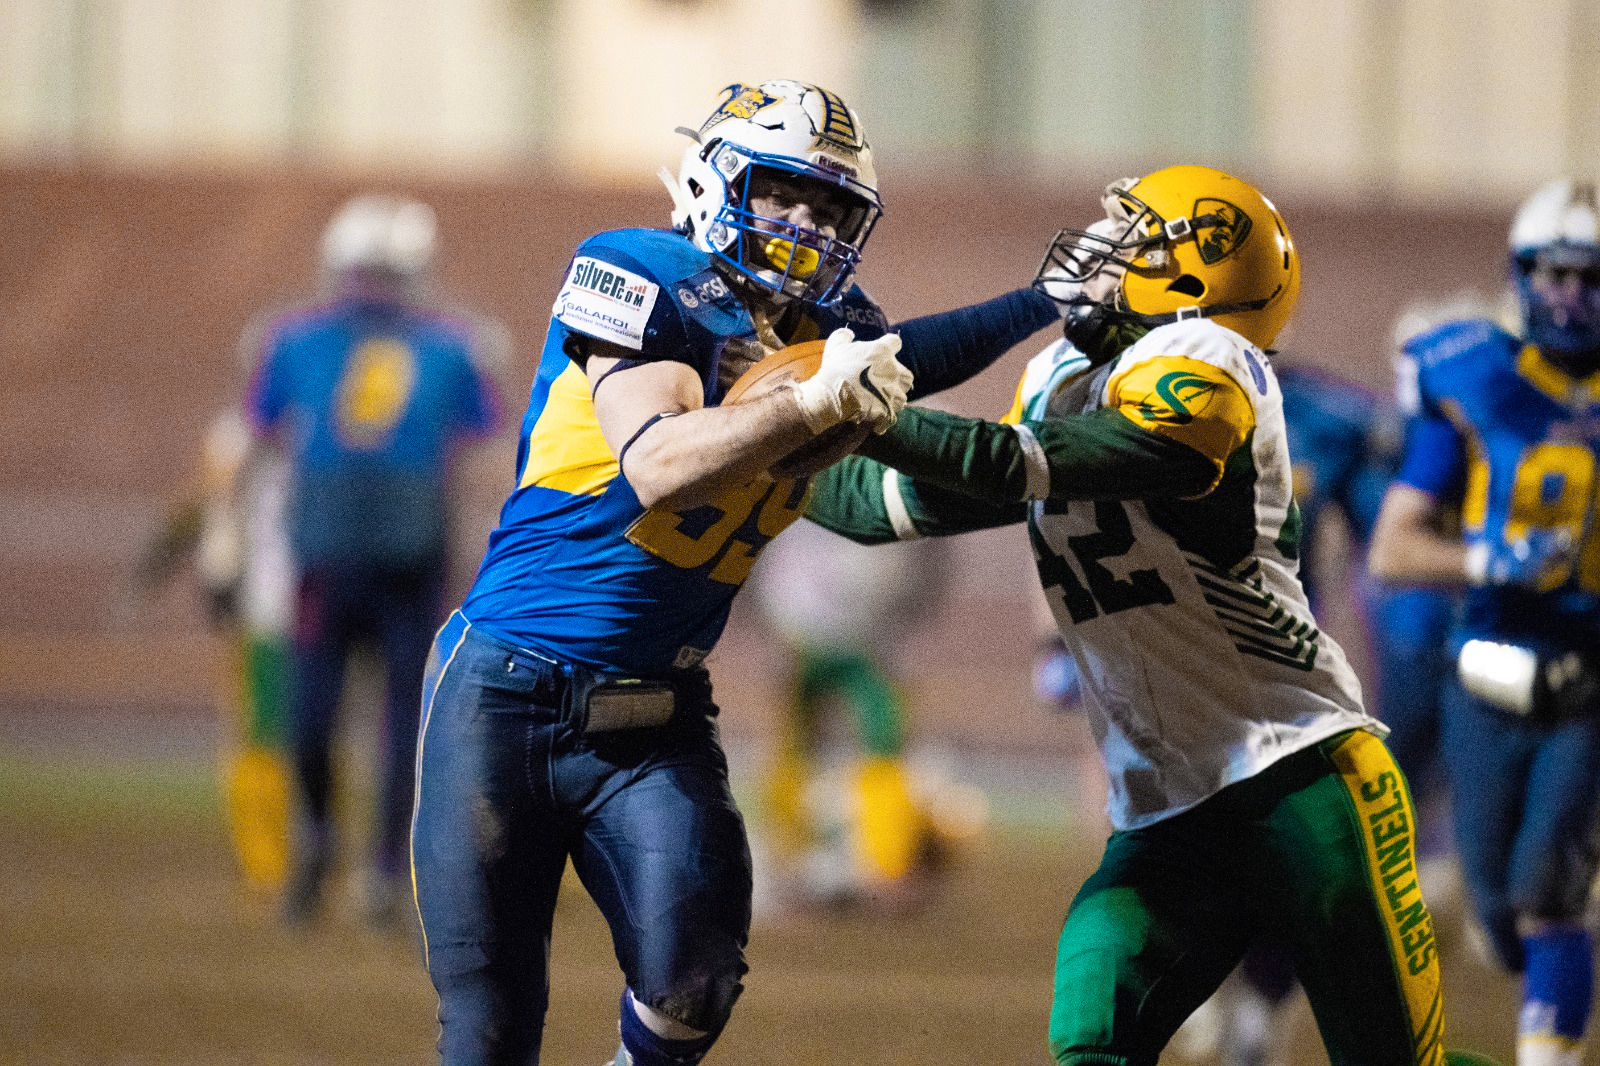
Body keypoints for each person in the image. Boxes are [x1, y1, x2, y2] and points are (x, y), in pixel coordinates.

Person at [408, 80, 1062, 1066]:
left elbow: (906, 358)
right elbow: (660, 464)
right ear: (717, 179)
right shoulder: (637, 267)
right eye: (782, 193)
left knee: (695, 979)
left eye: (832, 208)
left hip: (656, 711)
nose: (807, 223)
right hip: (504, 690)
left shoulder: (826, 335)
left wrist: (1044, 305)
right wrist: (811, 404)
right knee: (491, 1023)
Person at [806, 165, 1486, 1066]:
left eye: (1134, 238)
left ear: (1197, 274)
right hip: (1168, 813)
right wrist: (748, 439)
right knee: (1091, 1038)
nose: (1099, 252)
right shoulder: (1062, 374)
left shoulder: (1212, 364)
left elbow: (1027, 463)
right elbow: (877, 506)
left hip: (1300, 779)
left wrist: (862, 409)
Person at [1369, 178, 1600, 1066]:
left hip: (1587, 676)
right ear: (1520, 275)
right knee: (1500, 917)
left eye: (1589, 276)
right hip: (1486, 669)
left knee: (1550, 892)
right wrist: (1486, 561)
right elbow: (1394, 549)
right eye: (1553, 274)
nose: (1570, 295)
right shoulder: (1469, 375)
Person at [244, 194, 505, 925]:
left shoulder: (442, 345)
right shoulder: (445, 344)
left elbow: (482, 453)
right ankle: (327, 844)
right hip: (337, 552)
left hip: (399, 552)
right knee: (314, 719)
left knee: (401, 725)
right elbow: (261, 445)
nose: (373, 291)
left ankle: (384, 866)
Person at [751, 518, 954, 908]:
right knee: (796, 745)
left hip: (865, 632)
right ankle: (786, 862)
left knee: (883, 744)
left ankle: (885, 866)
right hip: (804, 627)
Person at [138, 409, 295, 893]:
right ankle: (271, 862)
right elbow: (210, 507)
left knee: (278, 736)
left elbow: (204, 505)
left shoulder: (243, 437)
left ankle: (280, 862)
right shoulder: (252, 436)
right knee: (268, 735)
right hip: (275, 613)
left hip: (285, 611)